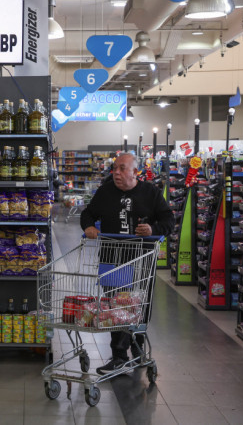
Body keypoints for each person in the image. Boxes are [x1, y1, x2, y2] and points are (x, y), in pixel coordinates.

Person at [80, 152, 174, 375]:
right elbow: (88, 213)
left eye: (122, 168)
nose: (117, 173)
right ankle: (120, 355)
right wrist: (88, 227)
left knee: (139, 304)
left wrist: (153, 230)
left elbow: (168, 220)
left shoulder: (150, 192)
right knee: (116, 306)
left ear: (135, 172)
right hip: (112, 258)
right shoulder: (105, 191)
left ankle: (137, 345)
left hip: (141, 260)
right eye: (115, 168)